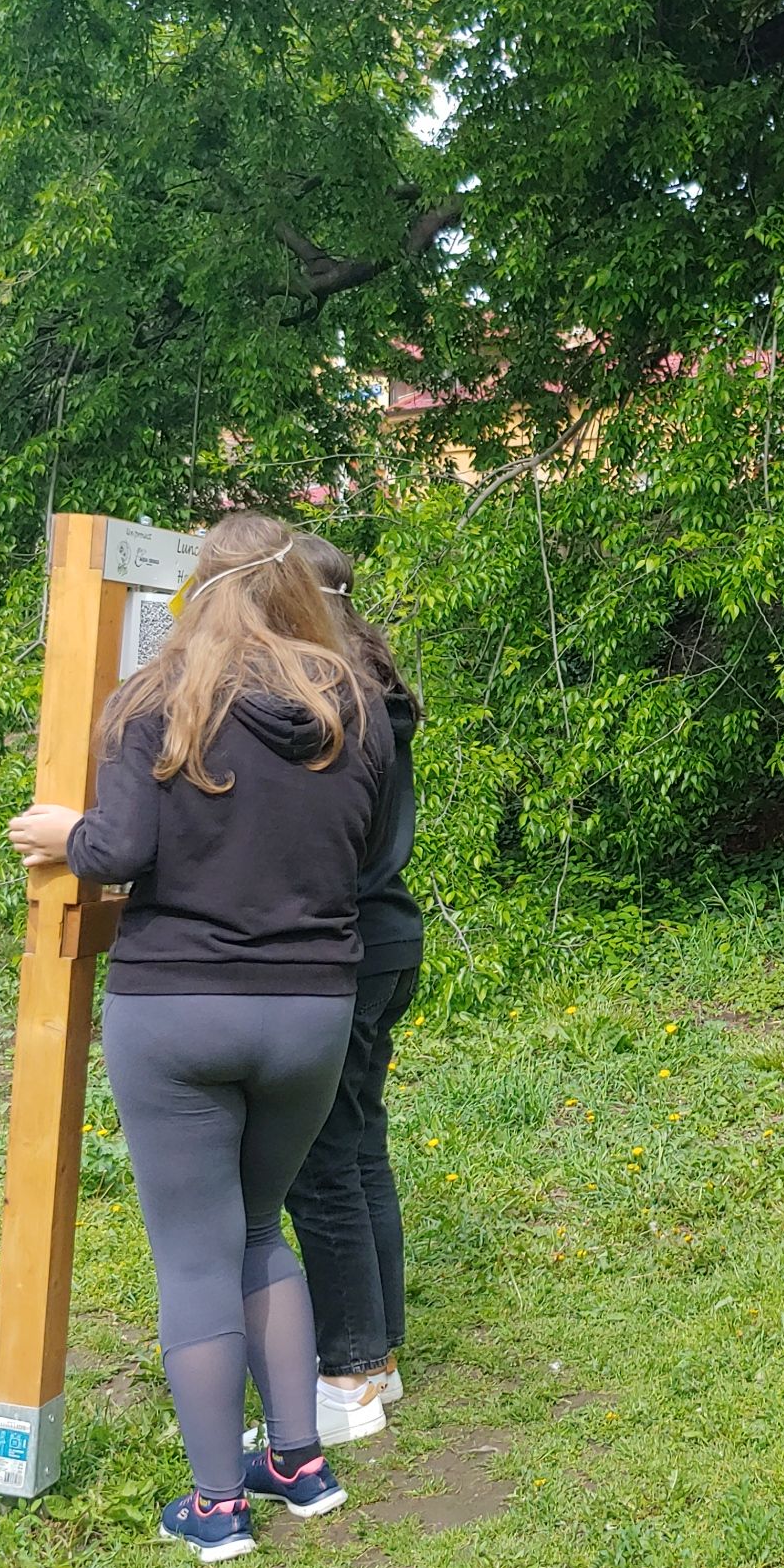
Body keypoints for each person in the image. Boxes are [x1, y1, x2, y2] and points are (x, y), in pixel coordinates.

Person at [6, 512, 392, 1562]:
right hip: (310, 1009)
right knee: (262, 1226)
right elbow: (363, 849)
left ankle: (218, 1507)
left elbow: (120, 848)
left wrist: (66, 835)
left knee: (194, 1256)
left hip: (177, 1005)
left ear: (201, 590)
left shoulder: (156, 699)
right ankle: (299, 1464)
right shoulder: (353, 709)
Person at [281, 534, 422, 1447]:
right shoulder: (375, 681)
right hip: (391, 935)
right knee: (361, 1145)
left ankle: (350, 1373)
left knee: (323, 1161)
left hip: (350, 942)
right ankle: (380, 1354)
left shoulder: (326, 702)